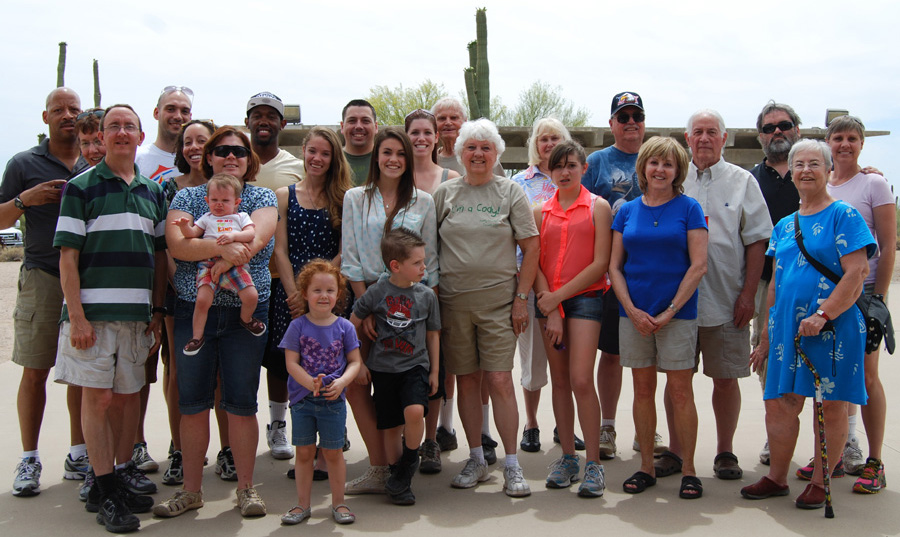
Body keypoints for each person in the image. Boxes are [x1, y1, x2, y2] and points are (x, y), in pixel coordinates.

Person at [741, 139, 874, 510]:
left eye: (814, 163)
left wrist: (823, 314)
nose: (805, 170)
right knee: (779, 402)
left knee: (830, 406)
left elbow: (857, 273)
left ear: (829, 170)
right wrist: (766, 336)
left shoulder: (844, 215)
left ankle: (819, 480)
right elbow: (776, 283)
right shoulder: (785, 225)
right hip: (787, 331)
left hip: (832, 328)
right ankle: (776, 477)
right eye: (799, 164)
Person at [54, 103, 168, 532]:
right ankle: (103, 490)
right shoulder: (80, 187)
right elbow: (68, 257)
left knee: (126, 399)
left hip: (136, 319)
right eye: (113, 126)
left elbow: (159, 258)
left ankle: (118, 477)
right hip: (93, 319)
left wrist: (156, 310)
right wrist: (77, 317)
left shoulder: (153, 192)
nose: (122, 132)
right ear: (101, 137)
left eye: (129, 126)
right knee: (98, 400)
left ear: (141, 136)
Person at [155, 126, 277, 518]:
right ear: (208, 157)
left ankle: (246, 489)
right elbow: (178, 245)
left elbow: (259, 237)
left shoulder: (261, 196)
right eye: (221, 150)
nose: (230, 157)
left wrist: (211, 253)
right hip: (195, 309)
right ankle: (191, 491)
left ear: (249, 158)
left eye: (238, 151)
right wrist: (226, 250)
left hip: (246, 315)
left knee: (241, 402)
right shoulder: (187, 197)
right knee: (192, 402)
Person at [433, 118, 538, 498]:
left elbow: (531, 247)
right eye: (471, 147)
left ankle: (511, 464)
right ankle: (476, 457)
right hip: (453, 306)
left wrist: (521, 299)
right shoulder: (444, 194)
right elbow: (430, 249)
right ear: (460, 153)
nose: (478, 154)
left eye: (486, 148)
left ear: (497, 154)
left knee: (499, 380)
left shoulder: (510, 192)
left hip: (499, 306)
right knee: (466, 381)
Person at [669, 109, 771, 481]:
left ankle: (725, 451)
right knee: (677, 379)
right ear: (687, 138)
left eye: (712, 132)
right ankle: (675, 451)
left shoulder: (743, 182)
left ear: (724, 138)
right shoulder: (673, 178)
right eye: (698, 132)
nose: (704, 138)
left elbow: (757, 241)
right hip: (677, 303)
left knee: (726, 379)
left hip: (726, 301)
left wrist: (748, 296)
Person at [609, 137, 708, 499]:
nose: (660, 170)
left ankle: (689, 469)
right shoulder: (626, 211)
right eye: (654, 162)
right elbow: (614, 267)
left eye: (668, 164)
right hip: (633, 315)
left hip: (677, 316)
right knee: (642, 391)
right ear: (644, 167)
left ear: (678, 170)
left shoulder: (690, 208)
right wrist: (631, 309)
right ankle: (646, 466)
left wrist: (669, 312)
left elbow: (699, 266)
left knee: (681, 392)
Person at [341, 126, 438, 495]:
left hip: (408, 305)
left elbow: (430, 261)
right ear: (376, 157)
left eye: (400, 153)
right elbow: (350, 256)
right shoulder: (355, 198)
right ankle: (379, 466)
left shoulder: (423, 202)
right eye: (387, 152)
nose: (394, 159)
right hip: (364, 299)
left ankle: (399, 467)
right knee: (357, 383)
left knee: (401, 384)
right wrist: (365, 306)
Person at [2, 87, 89, 497]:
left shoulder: (95, 161)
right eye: (59, 109)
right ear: (45, 117)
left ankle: (78, 453)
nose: (67, 115)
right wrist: (25, 200)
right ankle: (29, 458)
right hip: (42, 276)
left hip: (88, 280)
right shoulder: (23, 163)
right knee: (35, 369)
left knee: (81, 373)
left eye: (74, 109)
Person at [580, 91, 664, 459]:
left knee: (649, 359)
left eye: (637, 117)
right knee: (612, 354)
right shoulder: (597, 163)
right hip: (608, 276)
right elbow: (580, 211)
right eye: (623, 117)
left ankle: (647, 429)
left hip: (652, 274)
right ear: (611, 123)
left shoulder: (658, 158)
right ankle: (608, 426)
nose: (631, 123)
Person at [533, 140, 611, 498]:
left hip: (585, 300)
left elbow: (600, 263)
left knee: (581, 379)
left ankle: (593, 463)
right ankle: (567, 457)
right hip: (548, 303)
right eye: (558, 166)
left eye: (571, 165)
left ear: (583, 168)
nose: (565, 172)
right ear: (550, 171)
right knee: (560, 381)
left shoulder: (598, 207)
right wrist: (550, 307)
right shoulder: (540, 212)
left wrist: (559, 299)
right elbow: (533, 261)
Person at [272, 126, 351, 478]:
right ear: (303, 151)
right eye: (313, 151)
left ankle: (328, 449)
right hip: (293, 298)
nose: (317, 158)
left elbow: (344, 250)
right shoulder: (284, 195)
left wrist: (320, 292)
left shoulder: (344, 199)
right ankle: (305, 447)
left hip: (330, 296)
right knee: (299, 372)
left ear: (334, 158)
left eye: (325, 153)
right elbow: (280, 250)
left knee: (331, 368)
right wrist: (297, 295)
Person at [825, 115, 895, 493]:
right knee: (835, 377)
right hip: (828, 297)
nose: (845, 144)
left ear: (862, 144)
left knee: (867, 377)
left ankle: (875, 462)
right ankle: (835, 455)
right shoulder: (821, 184)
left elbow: (886, 246)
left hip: (863, 295)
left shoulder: (874, 184)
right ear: (829, 143)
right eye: (838, 138)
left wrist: (878, 299)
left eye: (852, 138)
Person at [350, 228, 440, 505]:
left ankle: (409, 462)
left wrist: (435, 371)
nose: (424, 267)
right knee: (390, 426)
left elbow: (433, 335)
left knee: (415, 411)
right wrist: (358, 362)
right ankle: (398, 480)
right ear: (396, 266)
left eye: (424, 261)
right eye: (417, 263)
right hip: (383, 369)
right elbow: (352, 325)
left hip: (415, 366)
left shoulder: (427, 296)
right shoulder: (377, 292)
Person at [157, 119, 221, 486]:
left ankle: (226, 450)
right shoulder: (170, 188)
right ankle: (180, 449)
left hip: (223, 291)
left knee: (220, 375)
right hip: (179, 292)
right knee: (180, 370)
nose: (194, 147)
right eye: (188, 141)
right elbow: (168, 245)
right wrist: (180, 282)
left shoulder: (227, 189)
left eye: (202, 140)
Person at [245, 92, 306, 460]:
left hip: (282, 278)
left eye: (271, 115)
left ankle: (278, 425)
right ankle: (236, 437)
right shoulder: (236, 161)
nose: (264, 121)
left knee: (282, 359)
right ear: (248, 121)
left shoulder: (295, 166)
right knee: (242, 360)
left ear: (282, 123)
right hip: (240, 279)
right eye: (257, 115)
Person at [279, 260, 361, 526]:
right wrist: (309, 383)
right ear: (305, 293)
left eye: (330, 290)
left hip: (333, 402)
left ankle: (339, 503)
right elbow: (291, 363)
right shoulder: (297, 326)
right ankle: (302, 505)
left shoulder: (345, 327)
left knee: (333, 453)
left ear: (338, 294)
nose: (324, 295)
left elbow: (355, 362)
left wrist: (342, 383)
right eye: (317, 290)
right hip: (302, 401)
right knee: (304, 454)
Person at [511, 117, 572, 454]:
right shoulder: (519, 183)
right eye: (543, 138)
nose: (549, 144)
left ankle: (566, 426)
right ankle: (531, 423)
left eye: (555, 138)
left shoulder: (572, 178)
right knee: (533, 358)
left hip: (569, 283)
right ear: (535, 144)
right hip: (531, 279)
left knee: (569, 362)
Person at [404, 108, 459, 473]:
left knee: (438, 360)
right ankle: (405, 439)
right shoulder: (397, 175)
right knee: (405, 361)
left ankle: (433, 438)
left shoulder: (451, 178)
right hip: (403, 287)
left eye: (428, 132)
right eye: (415, 132)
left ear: (437, 137)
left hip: (441, 282)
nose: (421, 138)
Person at [748, 101, 802, 466]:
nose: (777, 131)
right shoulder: (750, 179)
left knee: (824, 361)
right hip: (765, 284)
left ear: (797, 129)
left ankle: (844, 441)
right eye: (769, 128)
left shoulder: (816, 169)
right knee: (768, 358)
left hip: (813, 285)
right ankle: (776, 435)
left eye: (783, 125)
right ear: (760, 137)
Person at [172, 172, 266, 355]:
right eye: (214, 200)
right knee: (202, 300)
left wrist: (233, 236)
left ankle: (246, 319)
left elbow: (250, 234)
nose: (219, 204)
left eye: (225, 200)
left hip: (234, 264)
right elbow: (192, 234)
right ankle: (196, 337)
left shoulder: (241, 217)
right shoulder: (207, 218)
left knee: (251, 296)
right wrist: (184, 226)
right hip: (208, 263)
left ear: (236, 202)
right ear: (207, 200)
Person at [431, 97, 504, 177]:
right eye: (442, 118)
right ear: (434, 124)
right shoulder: (429, 159)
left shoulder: (484, 158)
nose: (448, 122)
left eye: (454, 118)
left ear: (465, 121)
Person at [135, 86, 193, 184]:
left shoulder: (197, 162)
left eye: (184, 111)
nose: (178, 116)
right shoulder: (137, 158)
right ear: (156, 113)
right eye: (171, 109)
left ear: (190, 117)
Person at [341, 99, 378, 186]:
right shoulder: (331, 160)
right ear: (342, 127)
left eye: (365, 121)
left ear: (376, 127)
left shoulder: (387, 161)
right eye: (352, 121)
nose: (358, 126)